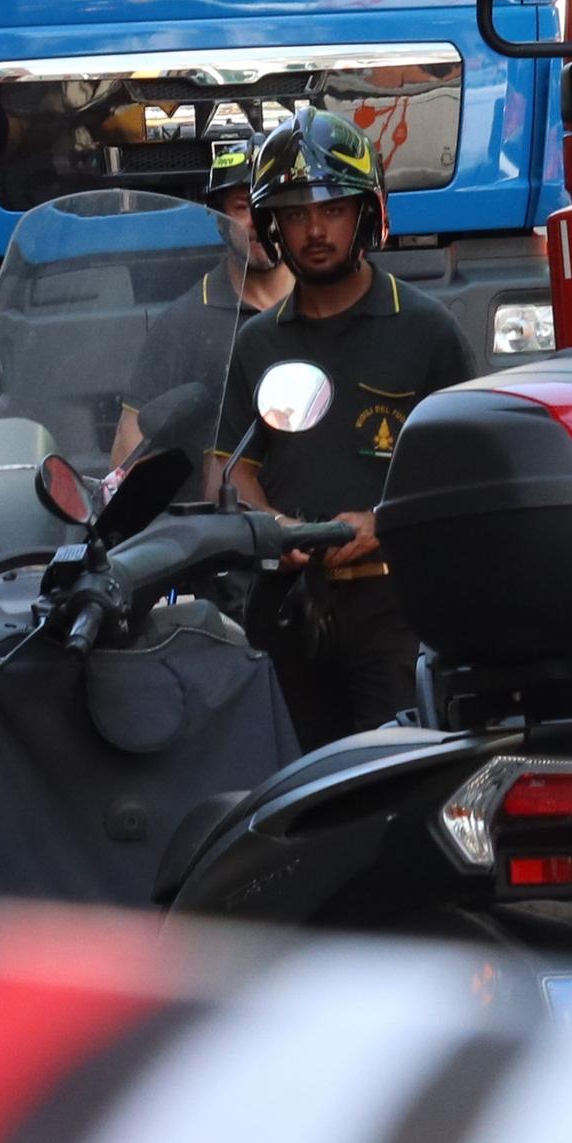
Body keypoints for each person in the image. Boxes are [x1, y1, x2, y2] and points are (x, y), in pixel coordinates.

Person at [215, 109, 470, 746]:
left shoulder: (426, 329)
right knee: (295, 789)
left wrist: (381, 523)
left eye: (331, 209)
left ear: (365, 213)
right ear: (273, 227)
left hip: (399, 614)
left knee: (392, 786)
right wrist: (268, 525)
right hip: (289, 608)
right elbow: (229, 467)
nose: (315, 230)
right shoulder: (252, 345)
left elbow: (469, 475)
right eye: (295, 214)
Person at [111, 127, 292, 481]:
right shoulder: (182, 325)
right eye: (243, 207)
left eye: (272, 205)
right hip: (223, 525)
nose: (259, 222)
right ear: (218, 218)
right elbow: (128, 454)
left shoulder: (329, 307)